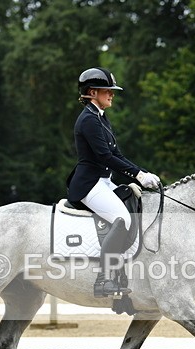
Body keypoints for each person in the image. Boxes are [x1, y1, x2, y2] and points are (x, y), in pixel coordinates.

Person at [68, 67, 161, 298]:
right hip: (89, 184)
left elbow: (117, 155)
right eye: (107, 90)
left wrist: (140, 172)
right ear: (92, 92)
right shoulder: (88, 120)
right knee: (122, 218)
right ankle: (104, 279)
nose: (112, 94)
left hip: (104, 181)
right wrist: (138, 175)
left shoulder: (101, 118)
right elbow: (105, 157)